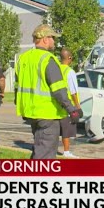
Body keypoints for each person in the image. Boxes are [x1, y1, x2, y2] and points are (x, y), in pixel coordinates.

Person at [15, 24, 81, 159]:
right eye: (52, 38)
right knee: (45, 155)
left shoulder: (23, 58)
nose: (54, 42)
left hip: (30, 112)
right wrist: (72, 110)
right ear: (45, 39)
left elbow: (18, 86)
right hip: (47, 114)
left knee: (39, 149)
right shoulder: (48, 59)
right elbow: (59, 90)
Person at [58, 48, 81, 158]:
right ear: (70, 58)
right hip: (68, 105)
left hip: (57, 104)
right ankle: (66, 152)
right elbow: (73, 91)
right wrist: (77, 106)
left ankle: (53, 149)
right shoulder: (69, 71)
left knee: (57, 129)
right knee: (66, 130)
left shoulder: (56, 69)